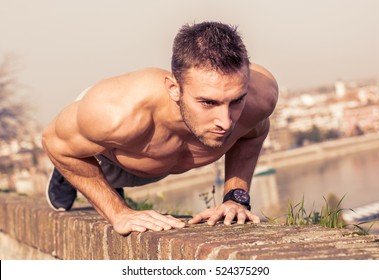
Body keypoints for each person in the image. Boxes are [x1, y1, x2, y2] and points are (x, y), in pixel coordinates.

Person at [42, 21, 278, 236]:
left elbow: (252, 135)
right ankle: (67, 175)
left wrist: (235, 198)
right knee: (74, 147)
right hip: (108, 157)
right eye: (208, 102)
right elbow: (53, 142)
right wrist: (118, 212)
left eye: (236, 100)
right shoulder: (117, 114)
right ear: (174, 88)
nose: (226, 122)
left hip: (153, 160)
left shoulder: (261, 97)